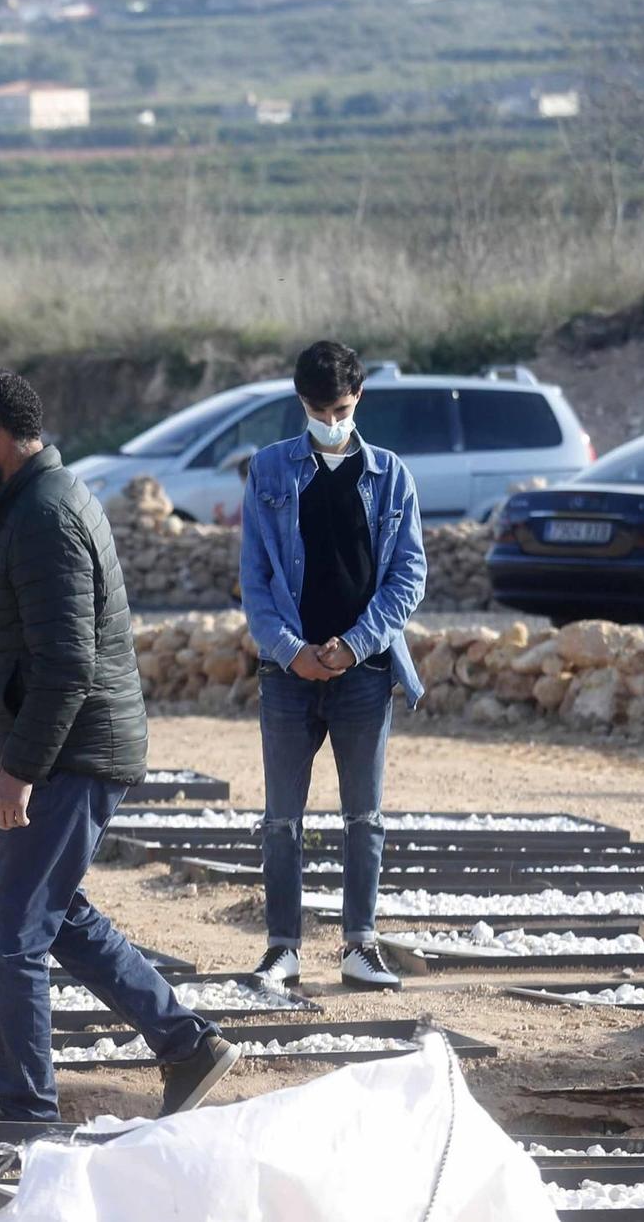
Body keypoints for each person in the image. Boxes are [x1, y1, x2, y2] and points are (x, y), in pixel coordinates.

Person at [0, 367, 235, 1123]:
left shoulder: (43, 514)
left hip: (80, 748)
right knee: (55, 914)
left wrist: (21, 769)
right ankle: (185, 1044)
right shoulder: (27, 499)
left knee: (8, 934)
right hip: (65, 745)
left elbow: (68, 664)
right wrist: (12, 754)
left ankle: (27, 1112)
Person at [240, 340, 426, 992]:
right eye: (320, 408)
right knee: (282, 818)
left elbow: (408, 576)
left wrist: (355, 644)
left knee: (364, 817)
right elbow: (255, 580)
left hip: (365, 671)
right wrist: (292, 651)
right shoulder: (268, 471)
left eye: (341, 407)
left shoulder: (391, 475)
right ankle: (283, 948)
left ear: (359, 399)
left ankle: (359, 945)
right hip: (288, 676)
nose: (331, 419)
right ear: (301, 403)